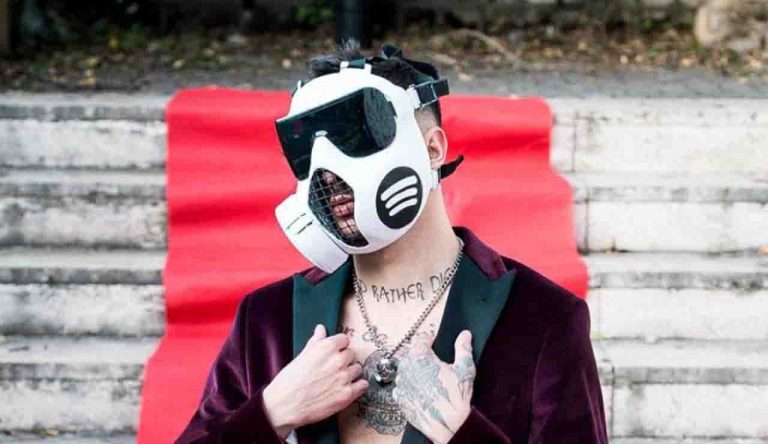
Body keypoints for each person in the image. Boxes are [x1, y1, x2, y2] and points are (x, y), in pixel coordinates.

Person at [176, 40, 608, 444]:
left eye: (356, 137)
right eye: (306, 150)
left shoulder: (540, 319)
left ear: (433, 150)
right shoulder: (267, 321)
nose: (328, 174)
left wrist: (464, 434)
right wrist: (271, 413)